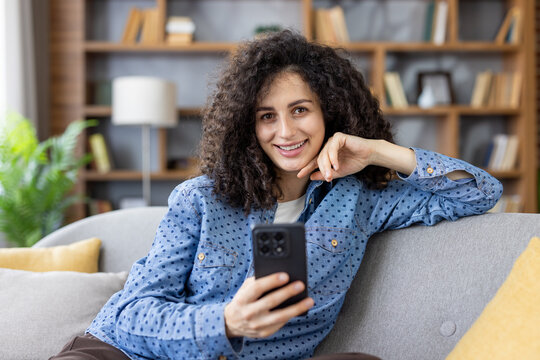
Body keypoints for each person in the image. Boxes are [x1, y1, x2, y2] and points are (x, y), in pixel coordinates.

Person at [51, 30, 502, 360]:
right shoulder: (200, 199)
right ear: (248, 125)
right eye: (267, 116)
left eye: (300, 110)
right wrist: (226, 323)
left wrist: (380, 151)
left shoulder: (363, 199)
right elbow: (131, 316)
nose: (285, 132)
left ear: (331, 112)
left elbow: (480, 194)